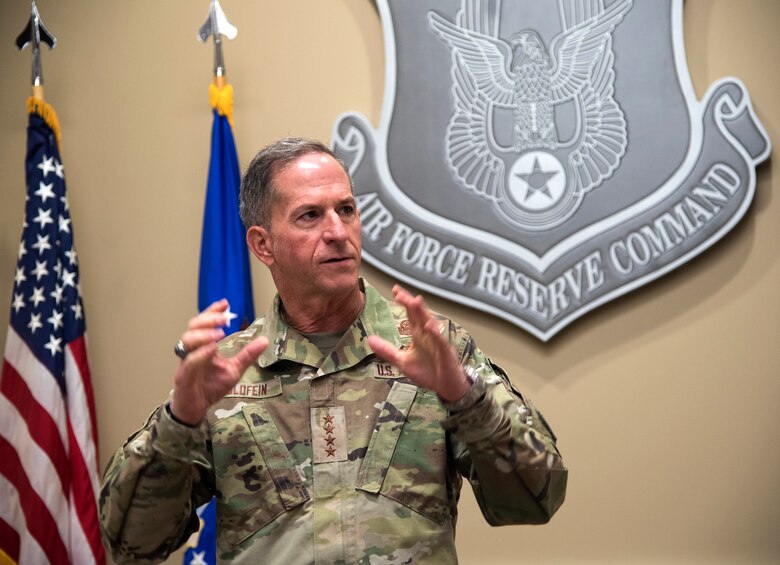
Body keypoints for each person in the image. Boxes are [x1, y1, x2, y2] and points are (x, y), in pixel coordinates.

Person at [99, 137, 567, 564]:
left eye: (346, 210)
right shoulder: (225, 373)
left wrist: (465, 397)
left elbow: (536, 497)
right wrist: (179, 419)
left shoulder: (434, 351)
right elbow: (129, 541)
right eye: (310, 215)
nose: (338, 231)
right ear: (263, 245)